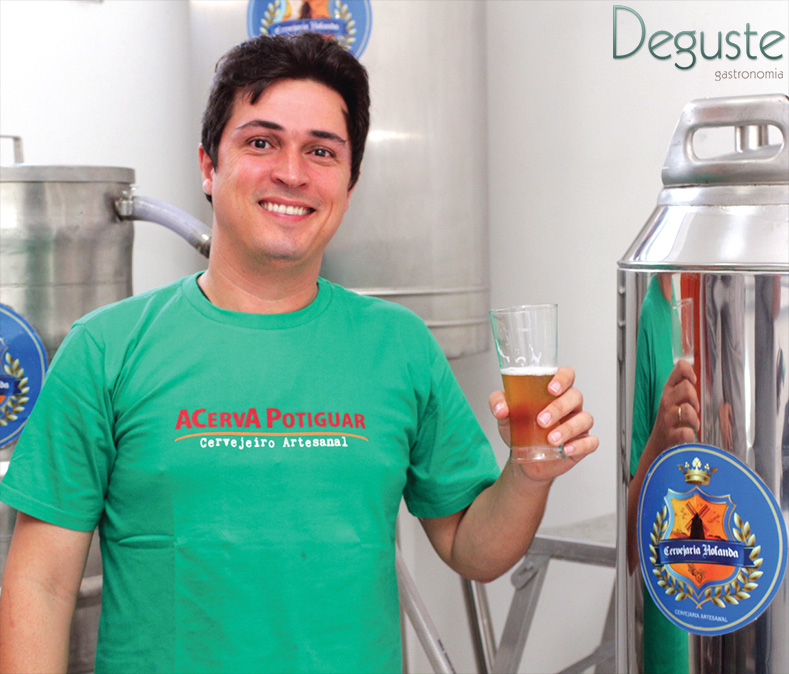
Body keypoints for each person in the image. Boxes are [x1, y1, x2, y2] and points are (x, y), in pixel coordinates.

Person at [0, 33, 597, 674]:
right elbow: (41, 584)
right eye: (261, 143)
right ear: (208, 166)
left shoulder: (399, 345)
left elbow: (473, 550)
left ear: (350, 181)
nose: (292, 172)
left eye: (321, 151)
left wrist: (528, 474)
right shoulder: (106, 348)